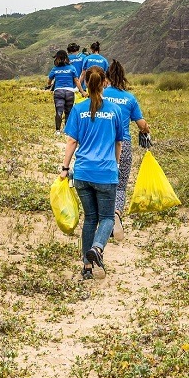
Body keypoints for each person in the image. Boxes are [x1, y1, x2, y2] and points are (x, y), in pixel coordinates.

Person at [60, 66, 126, 281]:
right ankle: (97, 249)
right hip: (106, 173)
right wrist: (114, 165)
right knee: (107, 217)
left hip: (82, 173)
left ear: (86, 83)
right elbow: (119, 143)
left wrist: (65, 168)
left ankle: (87, 267)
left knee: (90, 219)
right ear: (104, 82)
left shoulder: (79, 109)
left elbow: (71, 141)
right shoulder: (115, 110)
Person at [103, 60, 150, 241]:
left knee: (103, 183)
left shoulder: (101, 95)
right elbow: (142, 125)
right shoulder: (130, 99)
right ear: (123, 77)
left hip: (103, 145)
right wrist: (146, 130)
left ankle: (104, 220)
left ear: (106, 77)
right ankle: (116, 213)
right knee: (120, 184)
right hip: (124, 145)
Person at [47, 50, 83, 134]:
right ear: (66, 58)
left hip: (58, 92)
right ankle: (66, 130)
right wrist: (82, 91)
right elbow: (77, 81)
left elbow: (49, 80)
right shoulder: (71, 68)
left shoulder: (55, 69)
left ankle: (57, 131)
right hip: (70, 92)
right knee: (68, 112)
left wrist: (49, 85)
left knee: (59, 111)